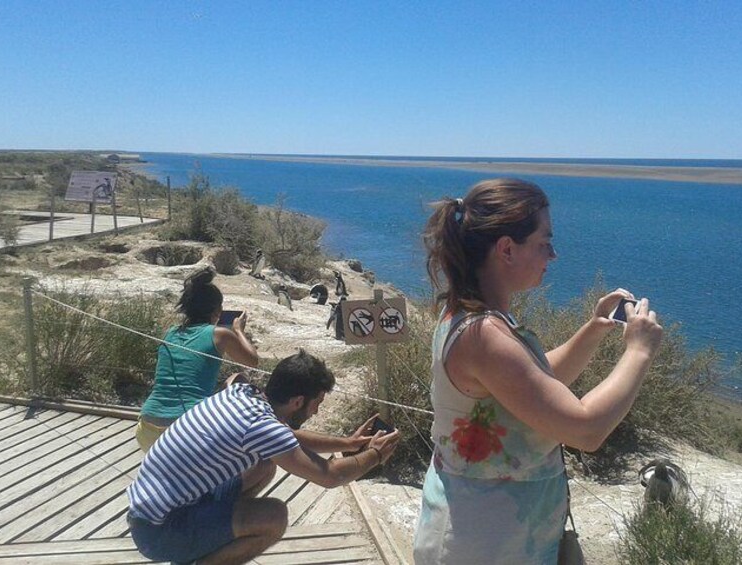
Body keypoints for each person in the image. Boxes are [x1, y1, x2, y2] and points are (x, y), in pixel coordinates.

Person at [413, 178, 663, 564]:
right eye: (545, 242)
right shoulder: (485, 335)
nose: (554, 254)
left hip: (487, 532)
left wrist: (593, 329)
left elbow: (535, 383)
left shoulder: (475, 317)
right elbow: (586, 429)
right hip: (483, 543)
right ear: (507, 249)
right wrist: (639, 352)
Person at [127, 349, 401, 565]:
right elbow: (331, 476)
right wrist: (376, 455)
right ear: (297, 402)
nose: (316, 412)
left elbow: (284, 437)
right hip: (159, 532)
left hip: (152, 512)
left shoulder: (241, 391)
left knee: (264, 465)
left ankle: (212, 539)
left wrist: (349, 444)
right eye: (316, 403)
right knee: (274, 516)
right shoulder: (262, 427)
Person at [136, 267, 259, 452]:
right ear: (217, 310)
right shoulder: (220, 335)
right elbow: (252, 361)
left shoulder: (170, 333)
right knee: (238, 380)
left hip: (146, 429)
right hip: (185, 432)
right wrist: (239, 331)